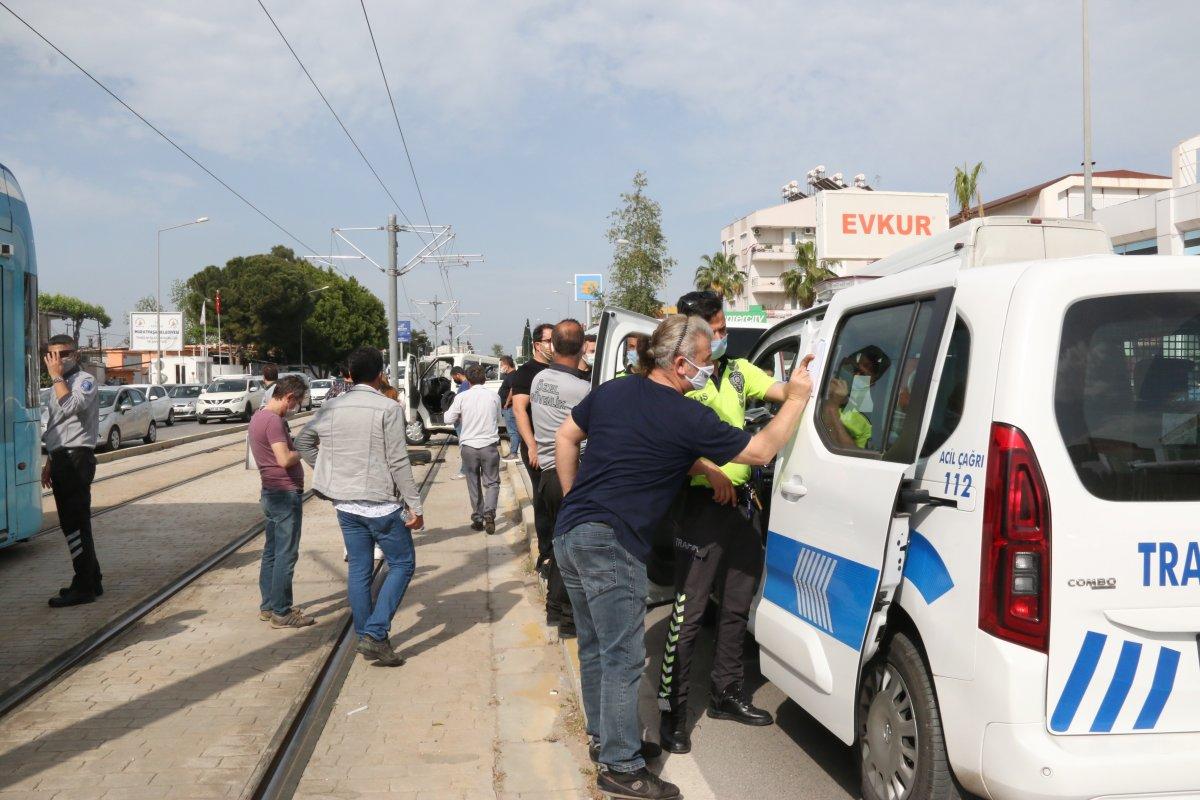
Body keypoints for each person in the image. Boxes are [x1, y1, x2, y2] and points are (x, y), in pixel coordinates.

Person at [552, 314, 814, 799]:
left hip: (571, 535)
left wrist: (573, 503)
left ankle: (608, 740)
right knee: (624, 656)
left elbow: (567, 438)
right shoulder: (687, 413)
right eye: (705, 362)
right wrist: (795, 399)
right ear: (678, 364)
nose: (709, 371)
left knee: (595, 648)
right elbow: (759, 451)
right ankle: (621, 767)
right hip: (613, 543)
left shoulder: (613, 392)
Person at [656, 290, 792, 753]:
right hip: (699, 507)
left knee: (737, 603)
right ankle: (672, 713)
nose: (720, 339)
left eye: (722, 330)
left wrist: (804, 380)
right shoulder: (681, 384)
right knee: (689, 613)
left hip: (741, 504)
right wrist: (707, 468)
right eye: (712, 332)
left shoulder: (735, 372)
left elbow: (781, 392)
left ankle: (726, 693)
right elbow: (667, 441)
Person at [296, 347, 425, 667]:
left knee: (358, 569)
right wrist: (415, 505)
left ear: (350, 375)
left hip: (346, 505)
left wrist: (327, 471)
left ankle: (367, 634)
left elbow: (302, 441)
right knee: (403, 563)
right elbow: (398, 461)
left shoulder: (331, 406)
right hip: (380, 504)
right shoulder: (388, 408)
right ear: (380, 373)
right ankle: (376, 634)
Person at [529, 319, 590, 636]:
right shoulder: (583, 390)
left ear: (552, 346)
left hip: (546, 477)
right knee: (574, 550)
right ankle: (568, 621)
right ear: (582, 347)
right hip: (569, 475)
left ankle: (554, 610)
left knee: (557, 544)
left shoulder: (540, 380)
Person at [41, 335, 103, 608]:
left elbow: (71, 406)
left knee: (74, 523)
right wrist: (51, 461)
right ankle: (93, 578)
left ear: (75, 355)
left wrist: (55, 377)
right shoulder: (56, 385)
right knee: (76, 521)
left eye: (64, 354)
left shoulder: (83, 380)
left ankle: (83, 586)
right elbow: (57, 428)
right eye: (52, 355)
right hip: (63, 458)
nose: (58, 360)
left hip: (77, 458)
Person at [249, 375, 314, 629]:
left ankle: (268, 606)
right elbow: (284, 459)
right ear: (288, 397)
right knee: (286, 554)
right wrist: (305, 450)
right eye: (296, 402)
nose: (296, 408)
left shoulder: (257, 417)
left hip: (270, 492)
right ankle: (282, 612)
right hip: (284, 495)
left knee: (272, 553)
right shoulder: (274, 421)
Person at [510, 323, 554, 570]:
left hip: (562, 444)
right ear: (537, 344)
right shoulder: (526, 373)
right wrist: (532, 446)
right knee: (543, 496)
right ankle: (545, 553)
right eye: (549, 340)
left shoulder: (561, 368)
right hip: (537, 446)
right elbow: (519, 410)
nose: (553, 345)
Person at [444, 364, 503, 534]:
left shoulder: (462, 397)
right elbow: (499, 419)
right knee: (492, 482)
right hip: (489, 445)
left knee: (473, 482)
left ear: (468, 380)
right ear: (485, 379)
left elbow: (448, 418)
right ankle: (490, 512)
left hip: (469, 446)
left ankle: (478, 518)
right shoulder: (494, 397)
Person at [497, 355, 521, 460]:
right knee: (513, 430)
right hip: (507, 407)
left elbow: (512, 389)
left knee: (512, 431)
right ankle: (514, 451)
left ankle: (513, 453)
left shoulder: (512, 375)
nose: (501, 367)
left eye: (502, 365)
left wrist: (507, 403)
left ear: (507, 365)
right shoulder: (511, 375)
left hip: (509, 408)